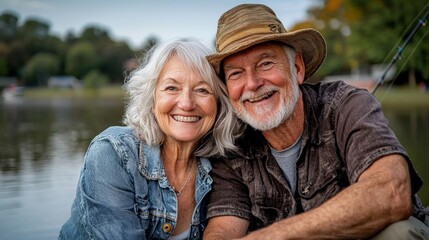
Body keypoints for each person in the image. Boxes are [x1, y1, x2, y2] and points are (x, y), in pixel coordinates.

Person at [203, 4, 429, 239]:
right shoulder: (231, 148)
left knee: (398, 232)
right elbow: (222, 230)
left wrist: (273, 236)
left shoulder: (347, 105)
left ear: (297, 68)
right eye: (235, 73)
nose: (252, 84)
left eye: (266, 63)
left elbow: (391, 192)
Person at [58, 37, 243, 240]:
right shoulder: (113, 154)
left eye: (202, 90)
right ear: (152, 98)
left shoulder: (223, 166)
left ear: (219, 104)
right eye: (172, 88)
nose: (187, 103)